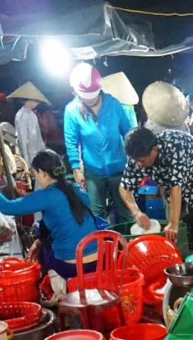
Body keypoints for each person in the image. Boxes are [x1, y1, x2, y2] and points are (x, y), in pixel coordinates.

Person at [0, 150, 97, 278]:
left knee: (41, 262)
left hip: (74, 266)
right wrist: (40, 241)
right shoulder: (74, 188)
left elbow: (7, 207)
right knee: (45, 243)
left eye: (35, 173)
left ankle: (57, 288)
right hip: (99, 260)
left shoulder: (46, 195)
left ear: (42, 173)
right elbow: (67, 217)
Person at [119, 127, 193, 251]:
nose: (139, 164)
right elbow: (124, 187)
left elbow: (176, 188)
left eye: (142, 161)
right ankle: (185, 255)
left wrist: (173, 224)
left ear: (154, 150)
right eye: (136, 161)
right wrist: (136, 212)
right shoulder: (137, 155)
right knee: (179, 225)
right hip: (169, 182)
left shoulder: (174, 146)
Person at [65, 63, 134, 229]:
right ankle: (103, 251)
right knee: (96, 214)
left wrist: (134, 161)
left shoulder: (113, 104)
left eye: (93, 96)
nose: (91, 99)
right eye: (86, 97)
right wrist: (76, 168)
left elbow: (128, 132)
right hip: (93, 172)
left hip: (118, 168)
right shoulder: (72, 110)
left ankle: (128, 249)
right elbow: (71, 141)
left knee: (126, 211)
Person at [8, 82, 49, 165]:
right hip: (32, 156)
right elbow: (24, 139)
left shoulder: (21, 113)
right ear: (32, 100)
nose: (38, 104)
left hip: (33, 155)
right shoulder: (27, 115)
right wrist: (27, 161)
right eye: (37, 101)